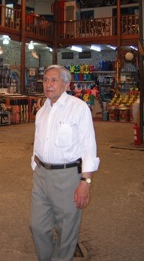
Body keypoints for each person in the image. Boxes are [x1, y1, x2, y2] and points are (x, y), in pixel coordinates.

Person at [30, 65, 100, 260]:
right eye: (45, 80)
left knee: (66, 231)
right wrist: (35, 166)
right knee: (37, 226)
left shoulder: (78, 108)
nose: (48, 85)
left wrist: (85, 183)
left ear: (66, 84)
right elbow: (38, 140)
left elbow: (89, 147)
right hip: (42, 175)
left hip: (67, 177)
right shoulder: (42, 110)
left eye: (54, 80)